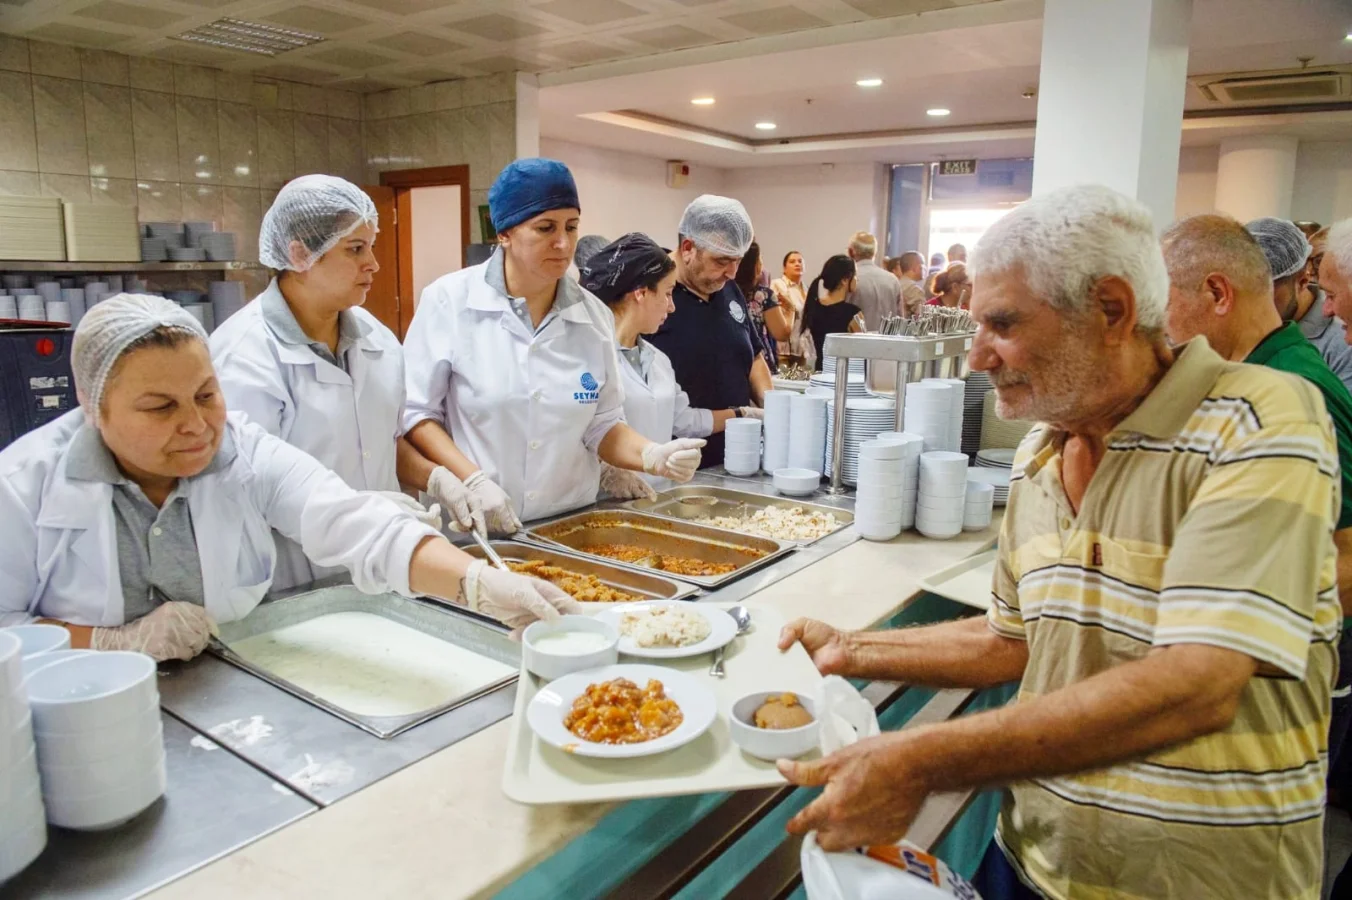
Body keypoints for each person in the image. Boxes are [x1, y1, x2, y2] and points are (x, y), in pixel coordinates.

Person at [778, 185, 1338, 900]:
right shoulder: (1041, 453)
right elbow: (1017, 638)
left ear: (1112, 310)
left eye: (1002, 324)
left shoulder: (1260, 420)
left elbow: (1198, 683)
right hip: (1035, 860)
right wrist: (853, 649)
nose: (977, 357)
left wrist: (919, 759)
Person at [0, 295, 581, 659]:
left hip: (228, 688)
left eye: (207, 395)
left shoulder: (242, 450)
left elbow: (354, 522)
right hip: (73, 714)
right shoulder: (22, 487)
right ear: (92, 406)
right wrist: (108, 644)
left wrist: (478, 584)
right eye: (160, 407)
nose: (197, 425)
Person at [401, 158, 704, 529]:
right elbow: (417, 415)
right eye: (545, 228)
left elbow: (602, 424)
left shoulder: (592, 317)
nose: (563, 244)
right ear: (504, 233)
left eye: (571, 227)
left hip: (569, 524)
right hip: (476, 525)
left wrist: (651, 454)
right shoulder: (449, 302)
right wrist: (471, 479)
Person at [210, 176, 457, 592]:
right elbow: (247, 490)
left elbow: (384, 441)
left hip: (384, 572)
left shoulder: (378, 341)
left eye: (371, 246)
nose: (374, 263)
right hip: (296, 583)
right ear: (300, 254)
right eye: (355, 249)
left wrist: (438, 480)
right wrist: (357, 513)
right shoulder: (243, 356)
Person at [580, 233, 763, 495]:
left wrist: (742, 413)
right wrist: (607, 470)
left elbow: (685, 419)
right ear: (641, 293)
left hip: (656, 497)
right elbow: (575, 430)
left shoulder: (658, 361)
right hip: (605, 501)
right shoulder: (589, 355)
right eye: (667, 294)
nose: (672, 307)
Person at [647, 195, 771, 469]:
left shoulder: (728, 288)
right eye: (721, 261)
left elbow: (754, 357)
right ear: (688, 247)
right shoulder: (652, 292)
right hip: (675, 459)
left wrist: (771, 407)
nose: (732, 272)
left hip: (735, 456)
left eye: (737, 261)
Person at [733, 242, 791, 372]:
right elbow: (782, 333)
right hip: (759, 361)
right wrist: (791, 311)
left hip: (732, 359)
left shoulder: (725, 291)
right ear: (754, 265)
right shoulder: (763, 295)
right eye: (760, 259)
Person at [801, 254, 862, 372]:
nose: (857, 279)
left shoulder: (814, 306)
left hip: (820, 372)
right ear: (845, 280)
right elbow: (862, 350)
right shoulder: (853, 314)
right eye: (855, 275)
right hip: (844, 374)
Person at [844, 231, 902, 331]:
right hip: (888, 342)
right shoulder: (892, 279)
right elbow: (900, 317)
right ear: (875, 252)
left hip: (856, 341)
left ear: (850, 251)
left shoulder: (847, 278)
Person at [770, 250, 808, 361]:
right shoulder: (777, 284)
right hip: (783, 348)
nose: (797, 264)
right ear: (784, 268)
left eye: (800, 261)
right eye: (792, 262)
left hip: (802, 348)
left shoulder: (806, 289)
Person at [886, 251, 927, 317]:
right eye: (922, 265)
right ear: (914, 268)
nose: (925, 268)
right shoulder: (915, 290)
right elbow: (921, 317)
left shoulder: (895, 284)